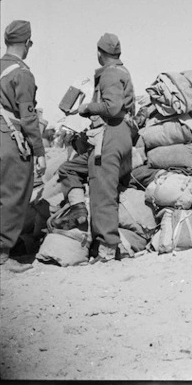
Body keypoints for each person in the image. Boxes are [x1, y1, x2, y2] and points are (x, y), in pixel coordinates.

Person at [57, 33, 136, 263]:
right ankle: (79, 209)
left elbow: (111, 108)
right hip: (118, 134)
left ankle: (107, 250)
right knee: (69, 169)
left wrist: (87, 108)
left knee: (102, 193)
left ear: (100, 54)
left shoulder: (110, 74)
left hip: (109, 135)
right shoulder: (123, 72)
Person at [0, 20, 47, 269]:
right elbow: (28, 116)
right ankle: (3, 255)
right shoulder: (22, 72)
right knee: (14, 194)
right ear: (28, 44)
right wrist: (39, 152)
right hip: (9, 138)